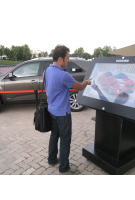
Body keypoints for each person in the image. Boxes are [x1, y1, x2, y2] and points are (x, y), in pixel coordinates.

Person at [44, 45, 92, 175]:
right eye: (67, 58)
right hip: (62, 114)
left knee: (54, 136)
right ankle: (64, 168)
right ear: (60, 59)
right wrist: (87, 82)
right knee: (65, 140)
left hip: (52, 110)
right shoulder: (63, 75)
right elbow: (80, 87)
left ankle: (52, 159)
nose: (68, 60)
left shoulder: (47, 71)